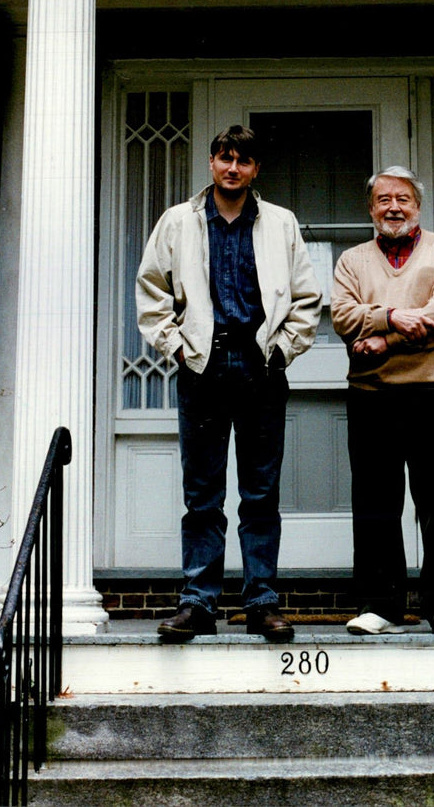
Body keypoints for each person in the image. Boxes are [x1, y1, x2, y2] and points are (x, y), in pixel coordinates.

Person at [136, 125, 322, 643]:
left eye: (243, 160)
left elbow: (306, 299)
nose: (232, 168)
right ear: (212, 163)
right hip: (203, 367)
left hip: (261, 368)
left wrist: (282, 350)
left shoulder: (279, 223)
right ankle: (198, 604)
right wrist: (177, 347)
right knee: (202, 494)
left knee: (260, 494)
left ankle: (261, 603)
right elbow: (152, 291)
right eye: (224, 158)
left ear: (255, 168)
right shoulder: (179, 221)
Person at [331, 165, 434, 638]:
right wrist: (392, 315)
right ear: (371, 208)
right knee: (375, 501)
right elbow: (343, 316)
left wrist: (385, 340)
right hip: (372, 396)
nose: (393, 207)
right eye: (384, 200)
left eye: (403, 199)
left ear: (417, 206)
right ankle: (381, 604)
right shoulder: (352, 260)